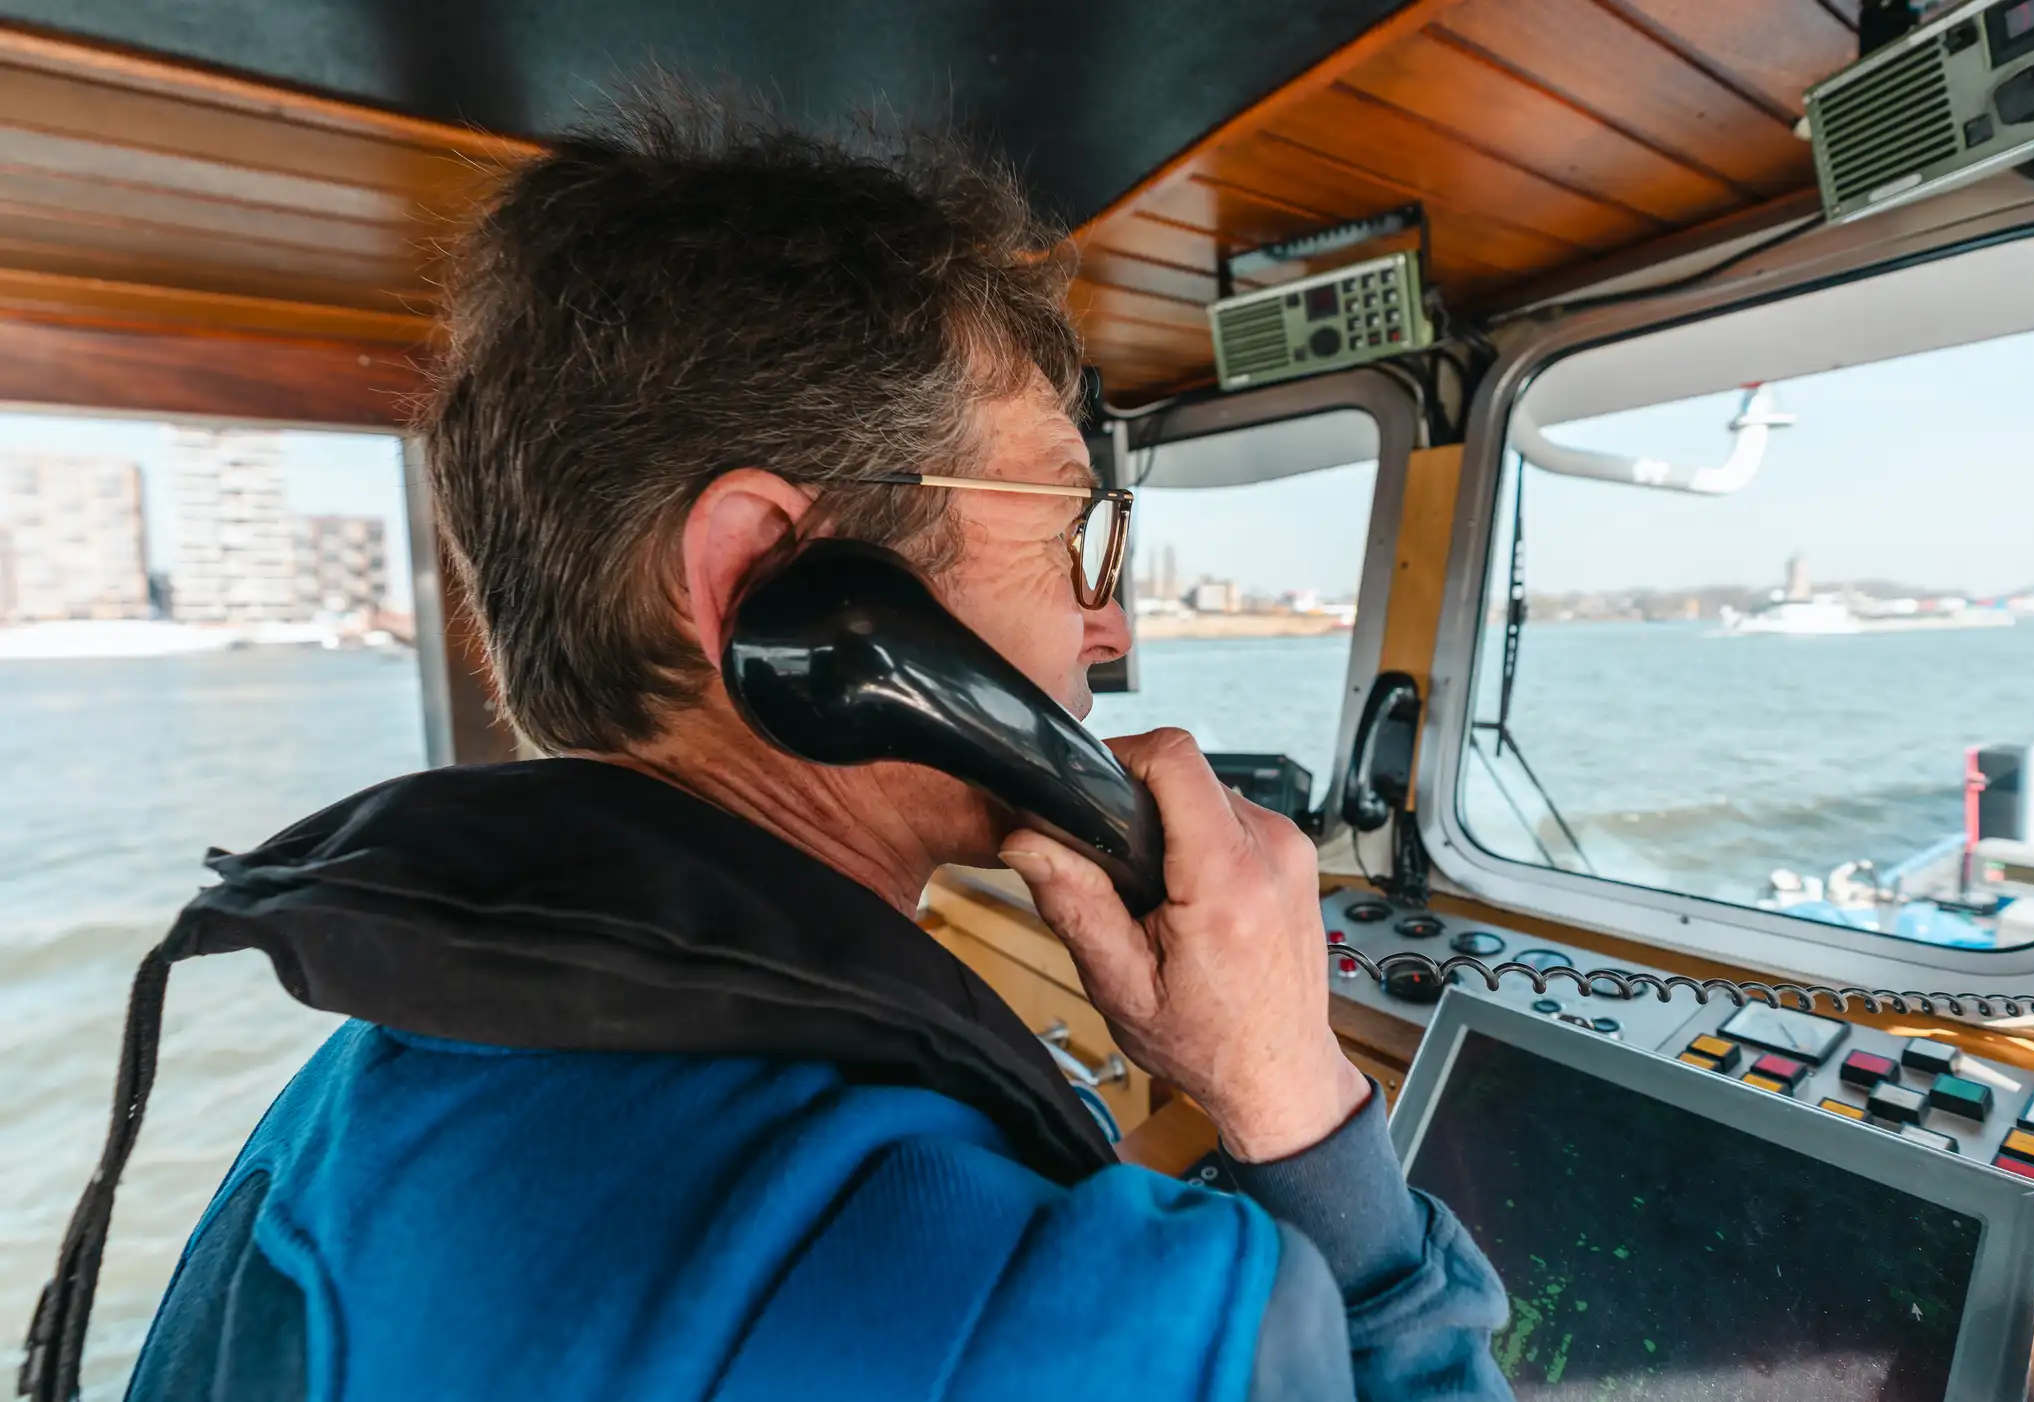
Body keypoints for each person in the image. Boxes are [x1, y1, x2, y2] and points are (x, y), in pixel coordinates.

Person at [47, 93, 1510, 1402]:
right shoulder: (1067, 1306)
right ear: (779, 583)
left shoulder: (348, 1095)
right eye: (1070, 530)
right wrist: (1291, 1100)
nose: (1109, 631)